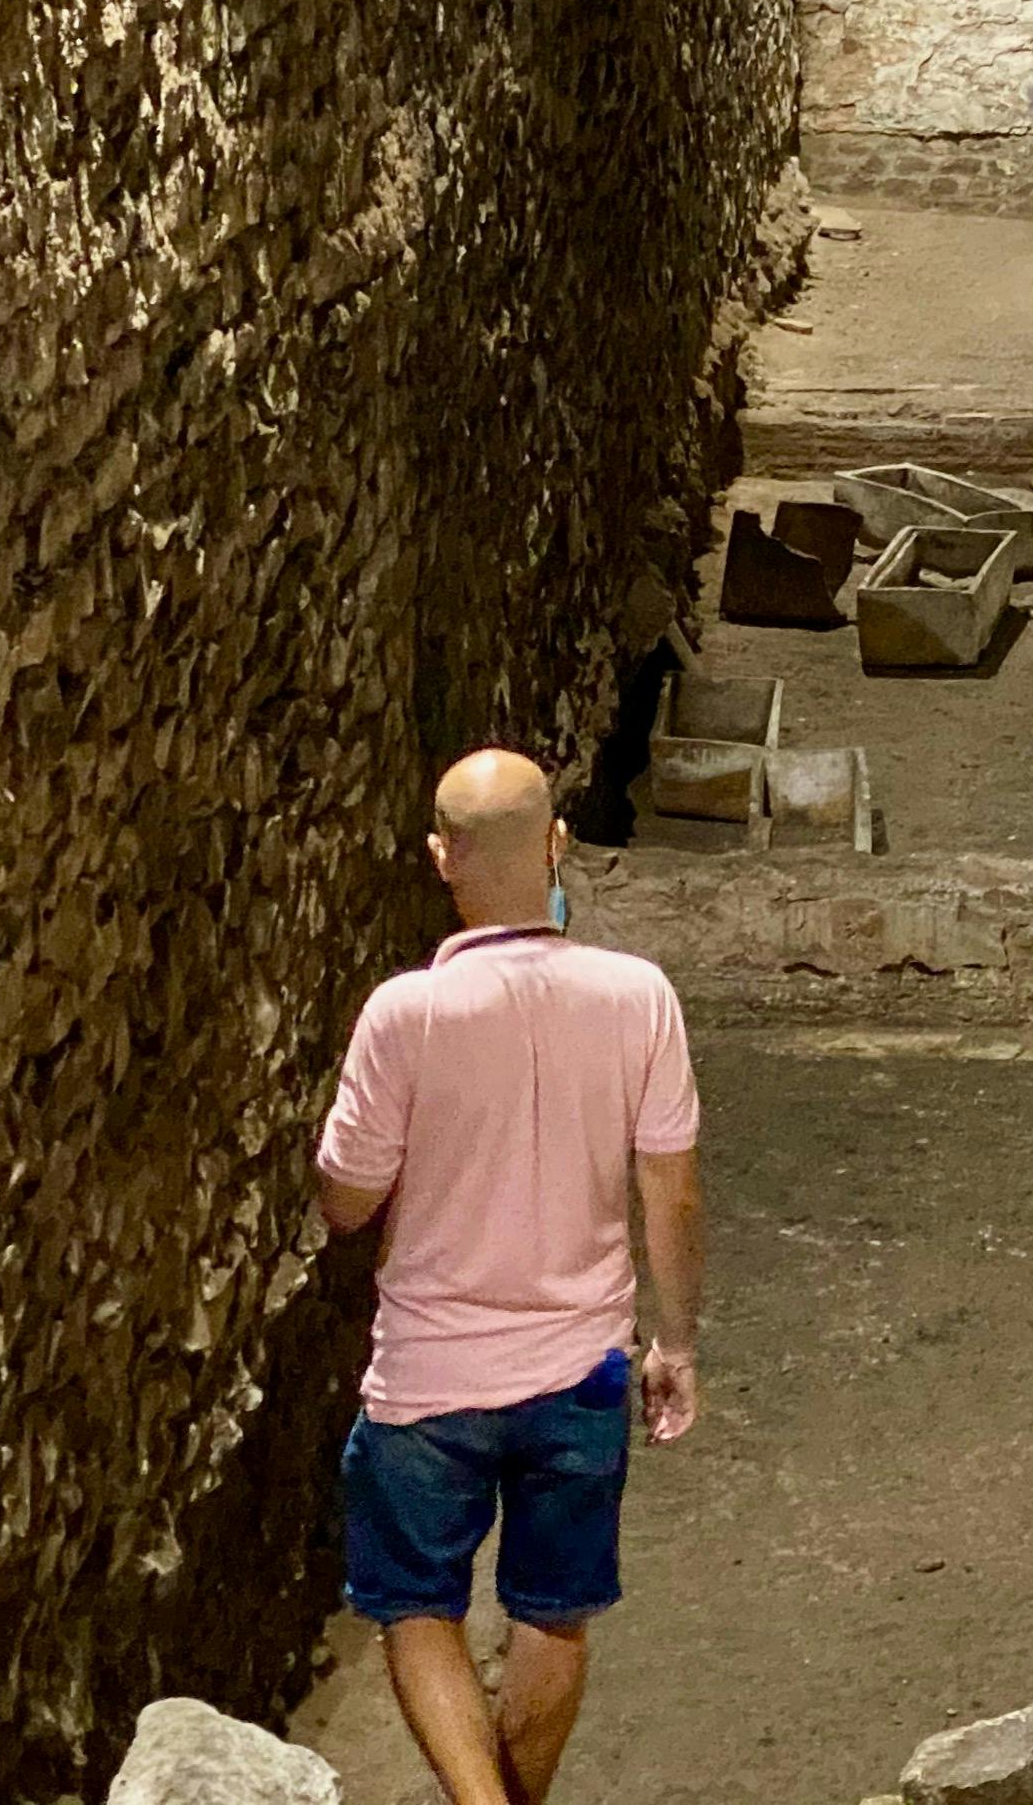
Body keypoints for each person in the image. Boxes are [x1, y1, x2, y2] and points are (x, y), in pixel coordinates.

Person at [315, 748, 706, 1805]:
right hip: (578, 1366)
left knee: (413, 1603)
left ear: (442, 857)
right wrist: (675, 1343)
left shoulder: (404, 1014)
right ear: (558, 843)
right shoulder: (639, 998)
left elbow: (345, 1202)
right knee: (553, 1609)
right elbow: (669, 1191)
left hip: (429, 1376)